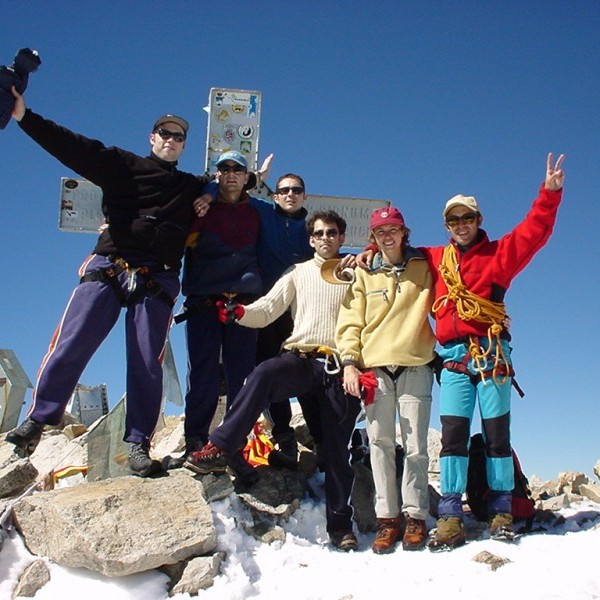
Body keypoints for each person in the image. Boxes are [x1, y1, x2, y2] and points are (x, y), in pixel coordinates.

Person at [5, 86, 220, 477]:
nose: (171, 141)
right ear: (151, 138)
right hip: (110, 266)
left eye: (178, 137)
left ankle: (138, 443)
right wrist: (24, 116)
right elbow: (74, 147)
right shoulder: (122, 165)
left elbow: (225, 180)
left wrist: (226, 184)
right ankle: (40, 419)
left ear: (184, 145)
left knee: (145, 361)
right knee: (73, 340)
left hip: (157, 278)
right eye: (165, 134)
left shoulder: (191, 185)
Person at [359, 154, 565, 549]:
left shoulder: (500, 256)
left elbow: (534, 231)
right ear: (446, 226)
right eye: (454, 221)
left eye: (466, 219)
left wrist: (549, 194)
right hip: (453, 361)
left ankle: (502, 509)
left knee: (496, 437)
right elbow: (397, 249)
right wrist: (369, 251)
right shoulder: (435, 258)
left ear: (478, 220)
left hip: (491, 357)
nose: (461, 226)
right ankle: (451, 515)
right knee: (453, 437)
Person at [184, 211, 362, 551]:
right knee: (264, 373)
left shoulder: (355, 274)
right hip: (302, 359)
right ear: (311, 240)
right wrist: (240, 313)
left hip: (341, 367)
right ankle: (222, 446)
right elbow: (267, 309)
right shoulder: (297, 272)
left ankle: (341, 527)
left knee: (338, 451)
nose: (325, 238)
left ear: (341, 238)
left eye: (333, 233)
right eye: (319, 233)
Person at [335, 206, 437, 553]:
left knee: (416, 447)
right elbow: (349, 322)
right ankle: (387, 519)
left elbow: (453, 293)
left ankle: (415, 517)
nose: (388, 236)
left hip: (416, 365)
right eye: (381, 232)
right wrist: (349, 363)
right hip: (375, 369)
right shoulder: (363, 274)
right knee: (378, 444)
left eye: (394, 229)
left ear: (404, 233)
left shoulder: (424, 267)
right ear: (373, 238)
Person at [177, 150, 263, 466]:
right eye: (223, 169)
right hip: (203, 304)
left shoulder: (259, 213)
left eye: (237, 169)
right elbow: (173, 237)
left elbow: (289, 225)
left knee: (242, 377)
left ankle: (234, 446)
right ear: (216, 176)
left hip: (244, 305)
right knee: (202, 375)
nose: (230, 174)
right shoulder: (199, 210)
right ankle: (195, 440)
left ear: (246, 176)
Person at [251, 173, 319, 469]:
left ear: (305, 195)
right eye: (284, 190)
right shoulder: (263, 214)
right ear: (274, 196)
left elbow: (331, 254)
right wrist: (255, 177)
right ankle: (284, 438)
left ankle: (323, 440)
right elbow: (226, 191)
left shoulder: (314, 230)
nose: (290, 194)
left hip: (300, 314)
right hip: (267, 308)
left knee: (306, 376)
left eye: (296, 190)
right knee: (269, 372)